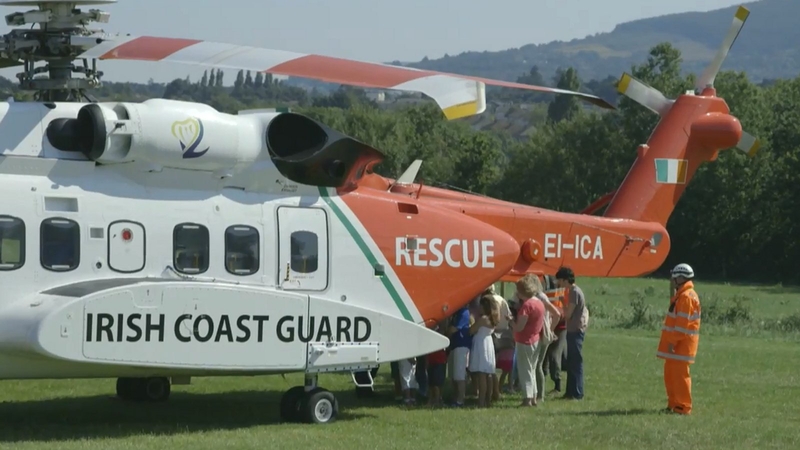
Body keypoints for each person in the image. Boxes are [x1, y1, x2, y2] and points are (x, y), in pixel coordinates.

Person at [658, 263, 702, 415]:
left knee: (680, 377)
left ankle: (683, 407)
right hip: (677, 346)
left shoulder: (686, 297)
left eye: (675, 278)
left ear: (682, 278)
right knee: (670, 375)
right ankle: (673, 404)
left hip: (681, 346)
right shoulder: (682, 295)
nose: (672, 280)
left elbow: (682, 326)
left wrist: (672, 342)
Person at [509, 274, 545, 406]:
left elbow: (519, 327)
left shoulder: (527, 306)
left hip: (524, 341)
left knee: (525, 370)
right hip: (536, 339)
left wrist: (511, 321)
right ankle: (534, 396)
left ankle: (527, 398)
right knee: (532, 368)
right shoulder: (539, 303)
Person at [556, 266, 588, 400]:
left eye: (560, 281)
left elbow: (568, 314)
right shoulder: (575, 291)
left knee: (575, 362)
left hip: (575, 330)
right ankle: (570, 391)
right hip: (573, 330)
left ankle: (577, 392)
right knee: (571, 362)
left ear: (565, 280)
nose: (559, 284)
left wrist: (563, 302)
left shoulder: (574, 292)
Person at [533, 281, 562, 404]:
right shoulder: (537, 296)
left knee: (538, 364)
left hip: (542, 333)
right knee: (536, 365)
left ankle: (540, 395)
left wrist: (550, 330)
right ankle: (536, 393)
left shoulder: (541, 297)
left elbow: (556, 313)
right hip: (538, 333)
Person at [468, 295, 499, 407]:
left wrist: (471, 322)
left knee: (482, 374)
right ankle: (488, 400)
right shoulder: (493, 318)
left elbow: (471, 330)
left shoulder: (483, 319)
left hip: (481, 345)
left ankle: (481, 401)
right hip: (488, 344)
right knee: (488, 374)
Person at [485, 285, 512, 401]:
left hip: (495, 333)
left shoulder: (491, 300)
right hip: (504, 331)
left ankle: (495, 391)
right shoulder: (501, 299)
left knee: (492, 365)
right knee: (499, 365)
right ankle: (499, 389)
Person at [542, 274, 567, 393]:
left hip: (560, 326)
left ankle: (557, 384)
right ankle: (541, 382)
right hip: (548, 324)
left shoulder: (562, 290)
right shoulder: (546, 287)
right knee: (544, 355)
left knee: (554, 355)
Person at [447, 305, 472, 407]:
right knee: (453, 375)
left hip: (461, 346)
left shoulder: (464, 312)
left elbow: (454, 329)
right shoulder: (455, 313)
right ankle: (455, 397)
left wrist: (445, 334)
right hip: (454, 345)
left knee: (459, 375)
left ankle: (460, 400)